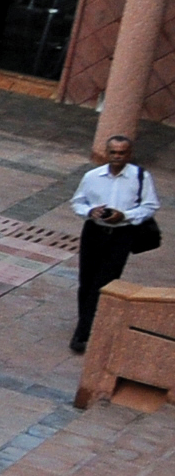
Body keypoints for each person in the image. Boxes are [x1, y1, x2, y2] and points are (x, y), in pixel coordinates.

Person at [70, 132, 159, 353]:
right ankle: (86, 322)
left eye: (122, 153)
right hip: (94, 232)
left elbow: (150, 206)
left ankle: (83, 332)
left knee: (104, 282)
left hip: (121, 234)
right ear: (107, 153)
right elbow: (77, 201)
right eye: (113, 152)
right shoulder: (93, 176)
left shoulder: (140, 177)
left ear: (129, 154)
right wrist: (91, 211)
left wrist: (125, 215)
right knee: (87, 280)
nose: (117, 157)